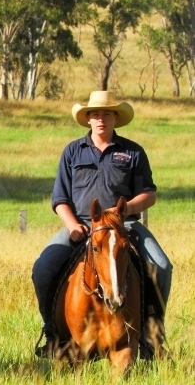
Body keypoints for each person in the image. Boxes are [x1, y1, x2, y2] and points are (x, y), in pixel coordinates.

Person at [32, 90, 172, 356]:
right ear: (87, 119)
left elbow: (149, 194)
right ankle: (51, 331)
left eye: (106, 114)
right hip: (82, 225)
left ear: (115, 118)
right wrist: (72, 226)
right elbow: (60, 198)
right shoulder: (72, 152)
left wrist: (126, 209)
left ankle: (152, 334)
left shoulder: (133, 152)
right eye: (95, 114)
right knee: (43, 267)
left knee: (161, 265)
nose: (100, 119)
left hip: (124, 225)